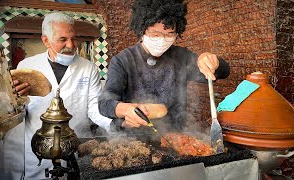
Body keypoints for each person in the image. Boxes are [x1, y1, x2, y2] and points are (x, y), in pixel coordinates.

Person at [98, 0, 230, 131]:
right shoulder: (123, 61)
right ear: (142, 31)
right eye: (155, 34)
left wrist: (212, 61)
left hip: (175, 137)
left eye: (169, 34)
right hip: (134, 139)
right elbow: (104, 104)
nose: (162, 40)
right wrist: (126, 110)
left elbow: (223, 72)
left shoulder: (181, 57)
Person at [13, 12, 112, 179]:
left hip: (78, 147)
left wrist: (115, 126)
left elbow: (94, 109)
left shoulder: (88, 68)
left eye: (74, 38)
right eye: (62, 39)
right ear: (46, 40)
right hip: (40, 151)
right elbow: (18, 111)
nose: (71, 45)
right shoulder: (27, 66)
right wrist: (17, 99)